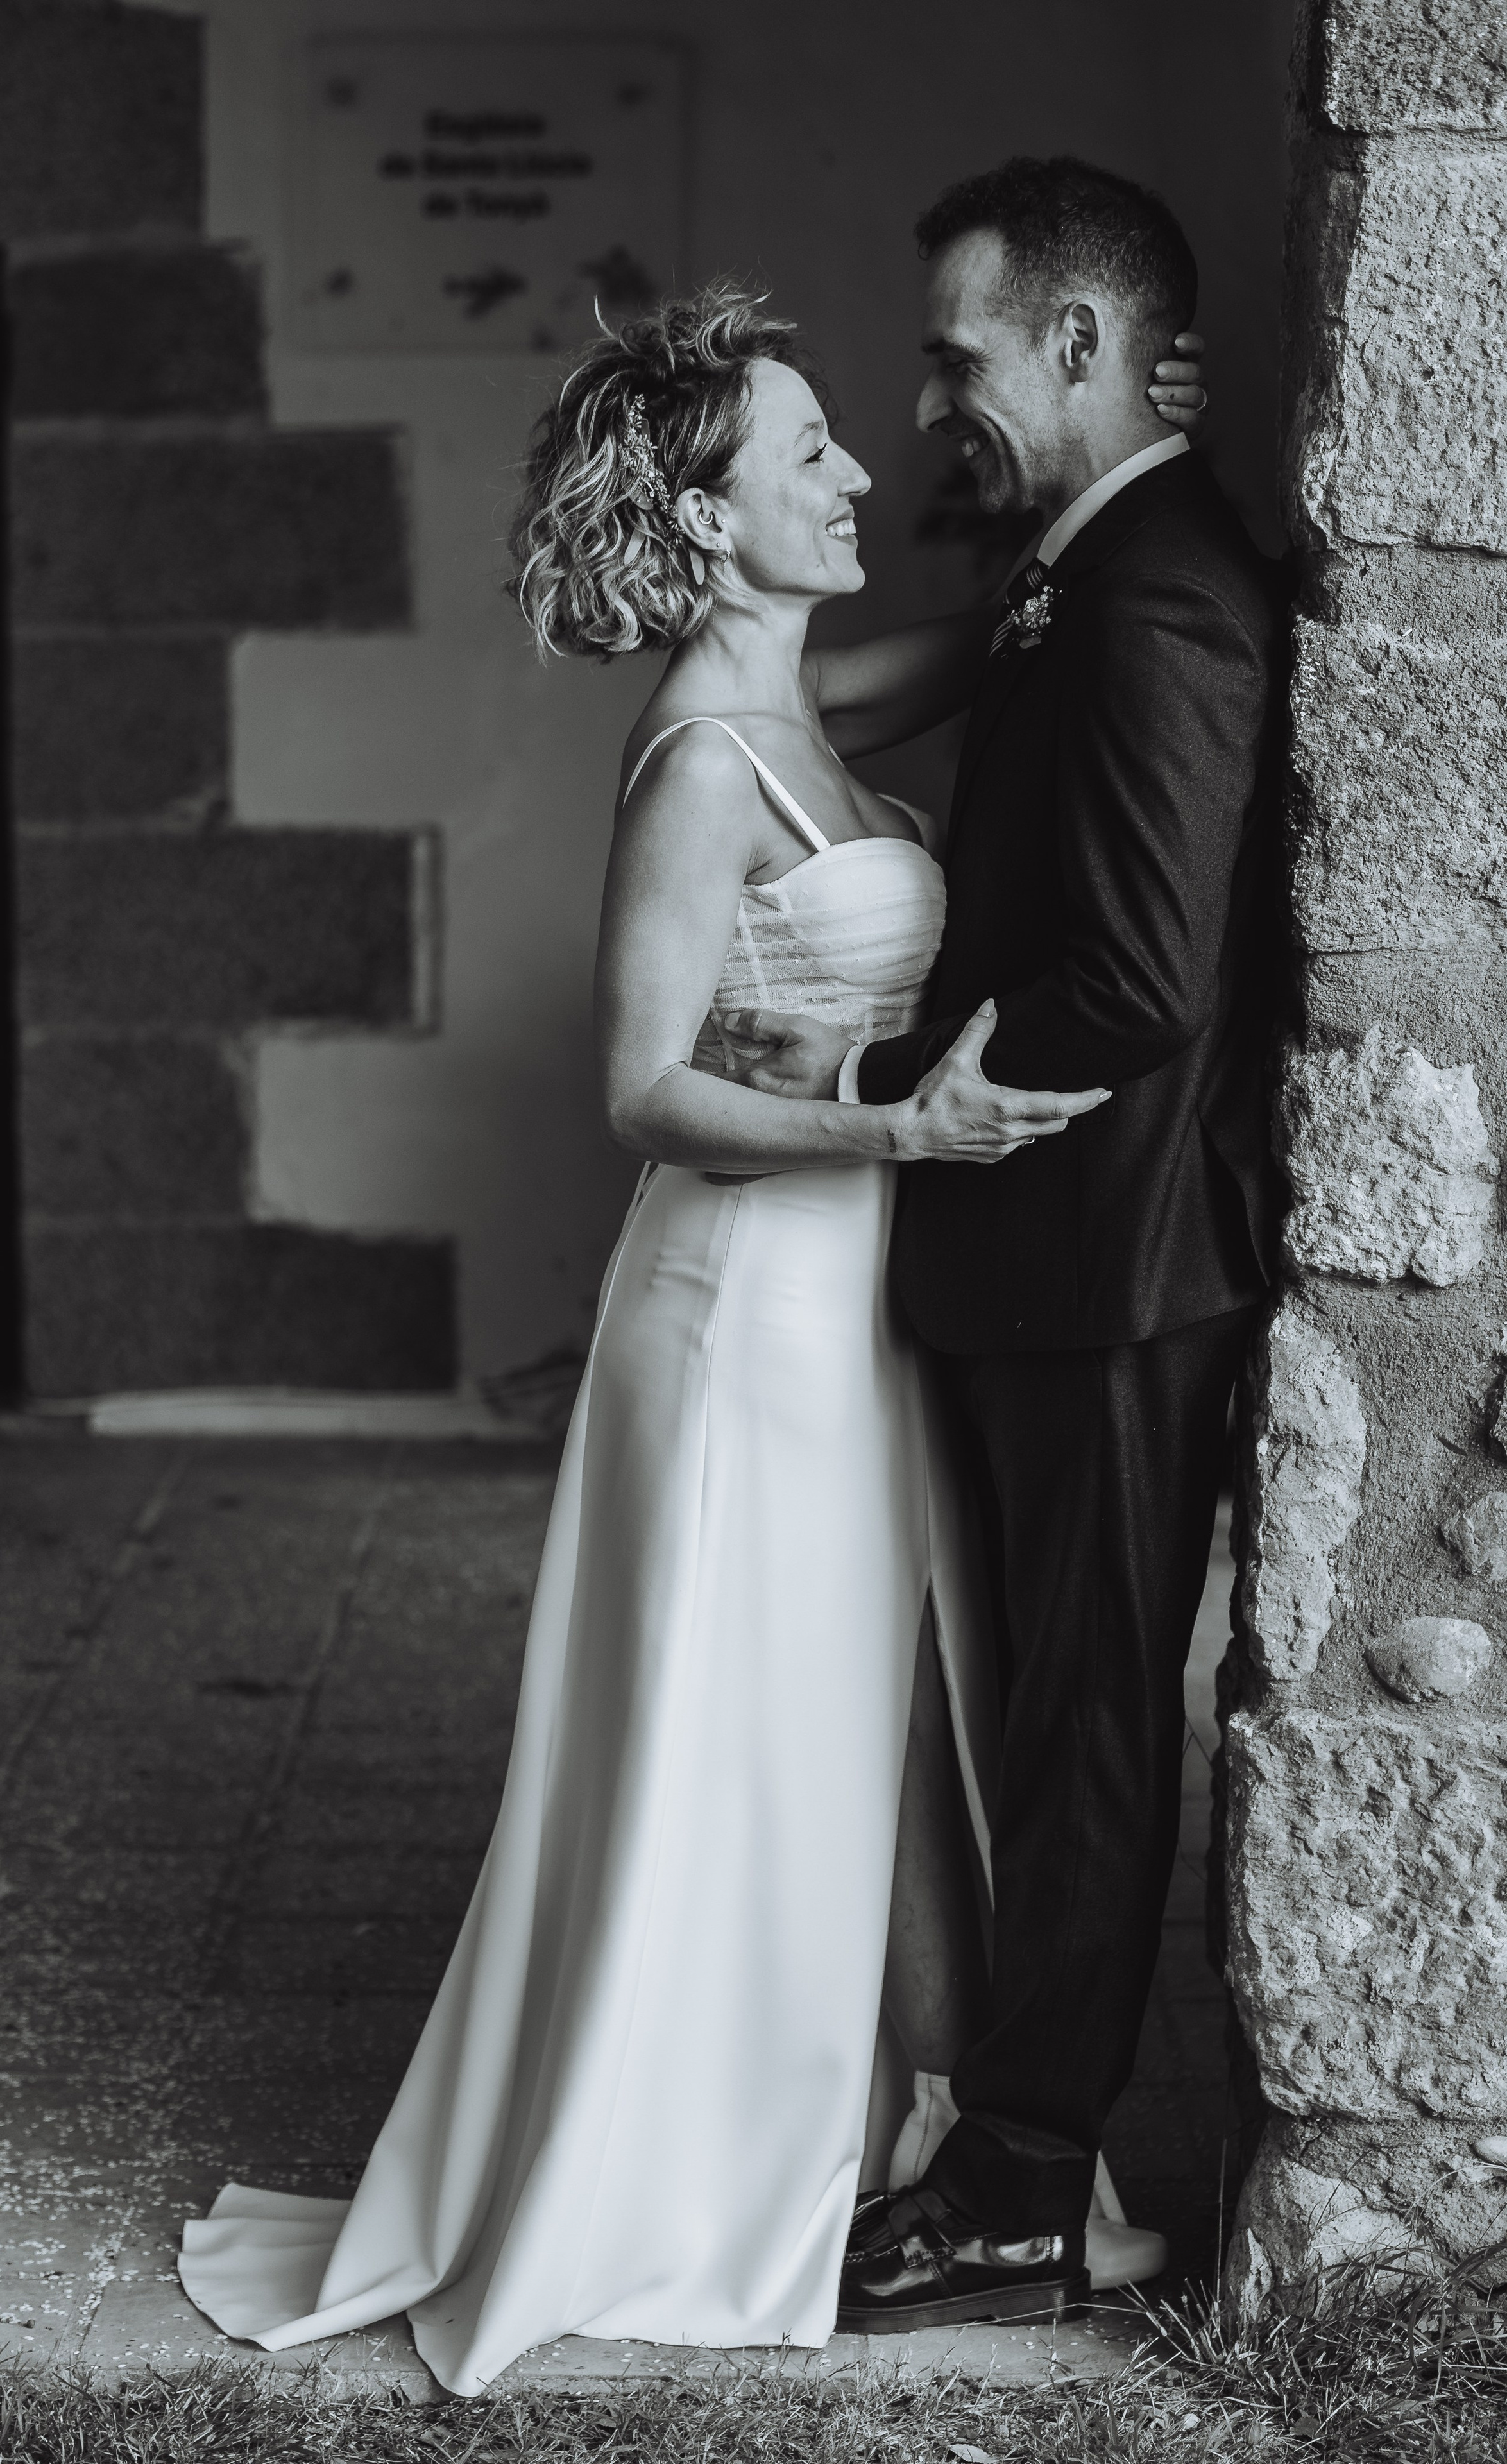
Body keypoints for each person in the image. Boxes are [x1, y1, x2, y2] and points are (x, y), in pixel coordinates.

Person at [176, 262, 1208, 2392]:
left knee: (851, 1724)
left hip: (848, 1304)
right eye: (812, 449)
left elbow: (1032, 637)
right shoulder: (694, 767)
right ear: (713, 520)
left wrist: (1134, 474)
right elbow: (641, 1088)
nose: (861, 469)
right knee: (729, 1721)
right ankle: (672, 2163)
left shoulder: (821, 704)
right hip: (743, 1295)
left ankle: (855, 2134)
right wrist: (904, 1126)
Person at [736, 158, 1282, 2332]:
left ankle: (1033, 2187)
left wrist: (906, 1102)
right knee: (1043, 1708)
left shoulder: (1150, 588)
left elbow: (1142, 974)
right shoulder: (1090, 564)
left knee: (1078, 1729)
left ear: (1077, 343)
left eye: (962, 353)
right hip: (1057, 1257)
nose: (935, 393)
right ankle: (1014, 2151)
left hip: (1102, 1256)